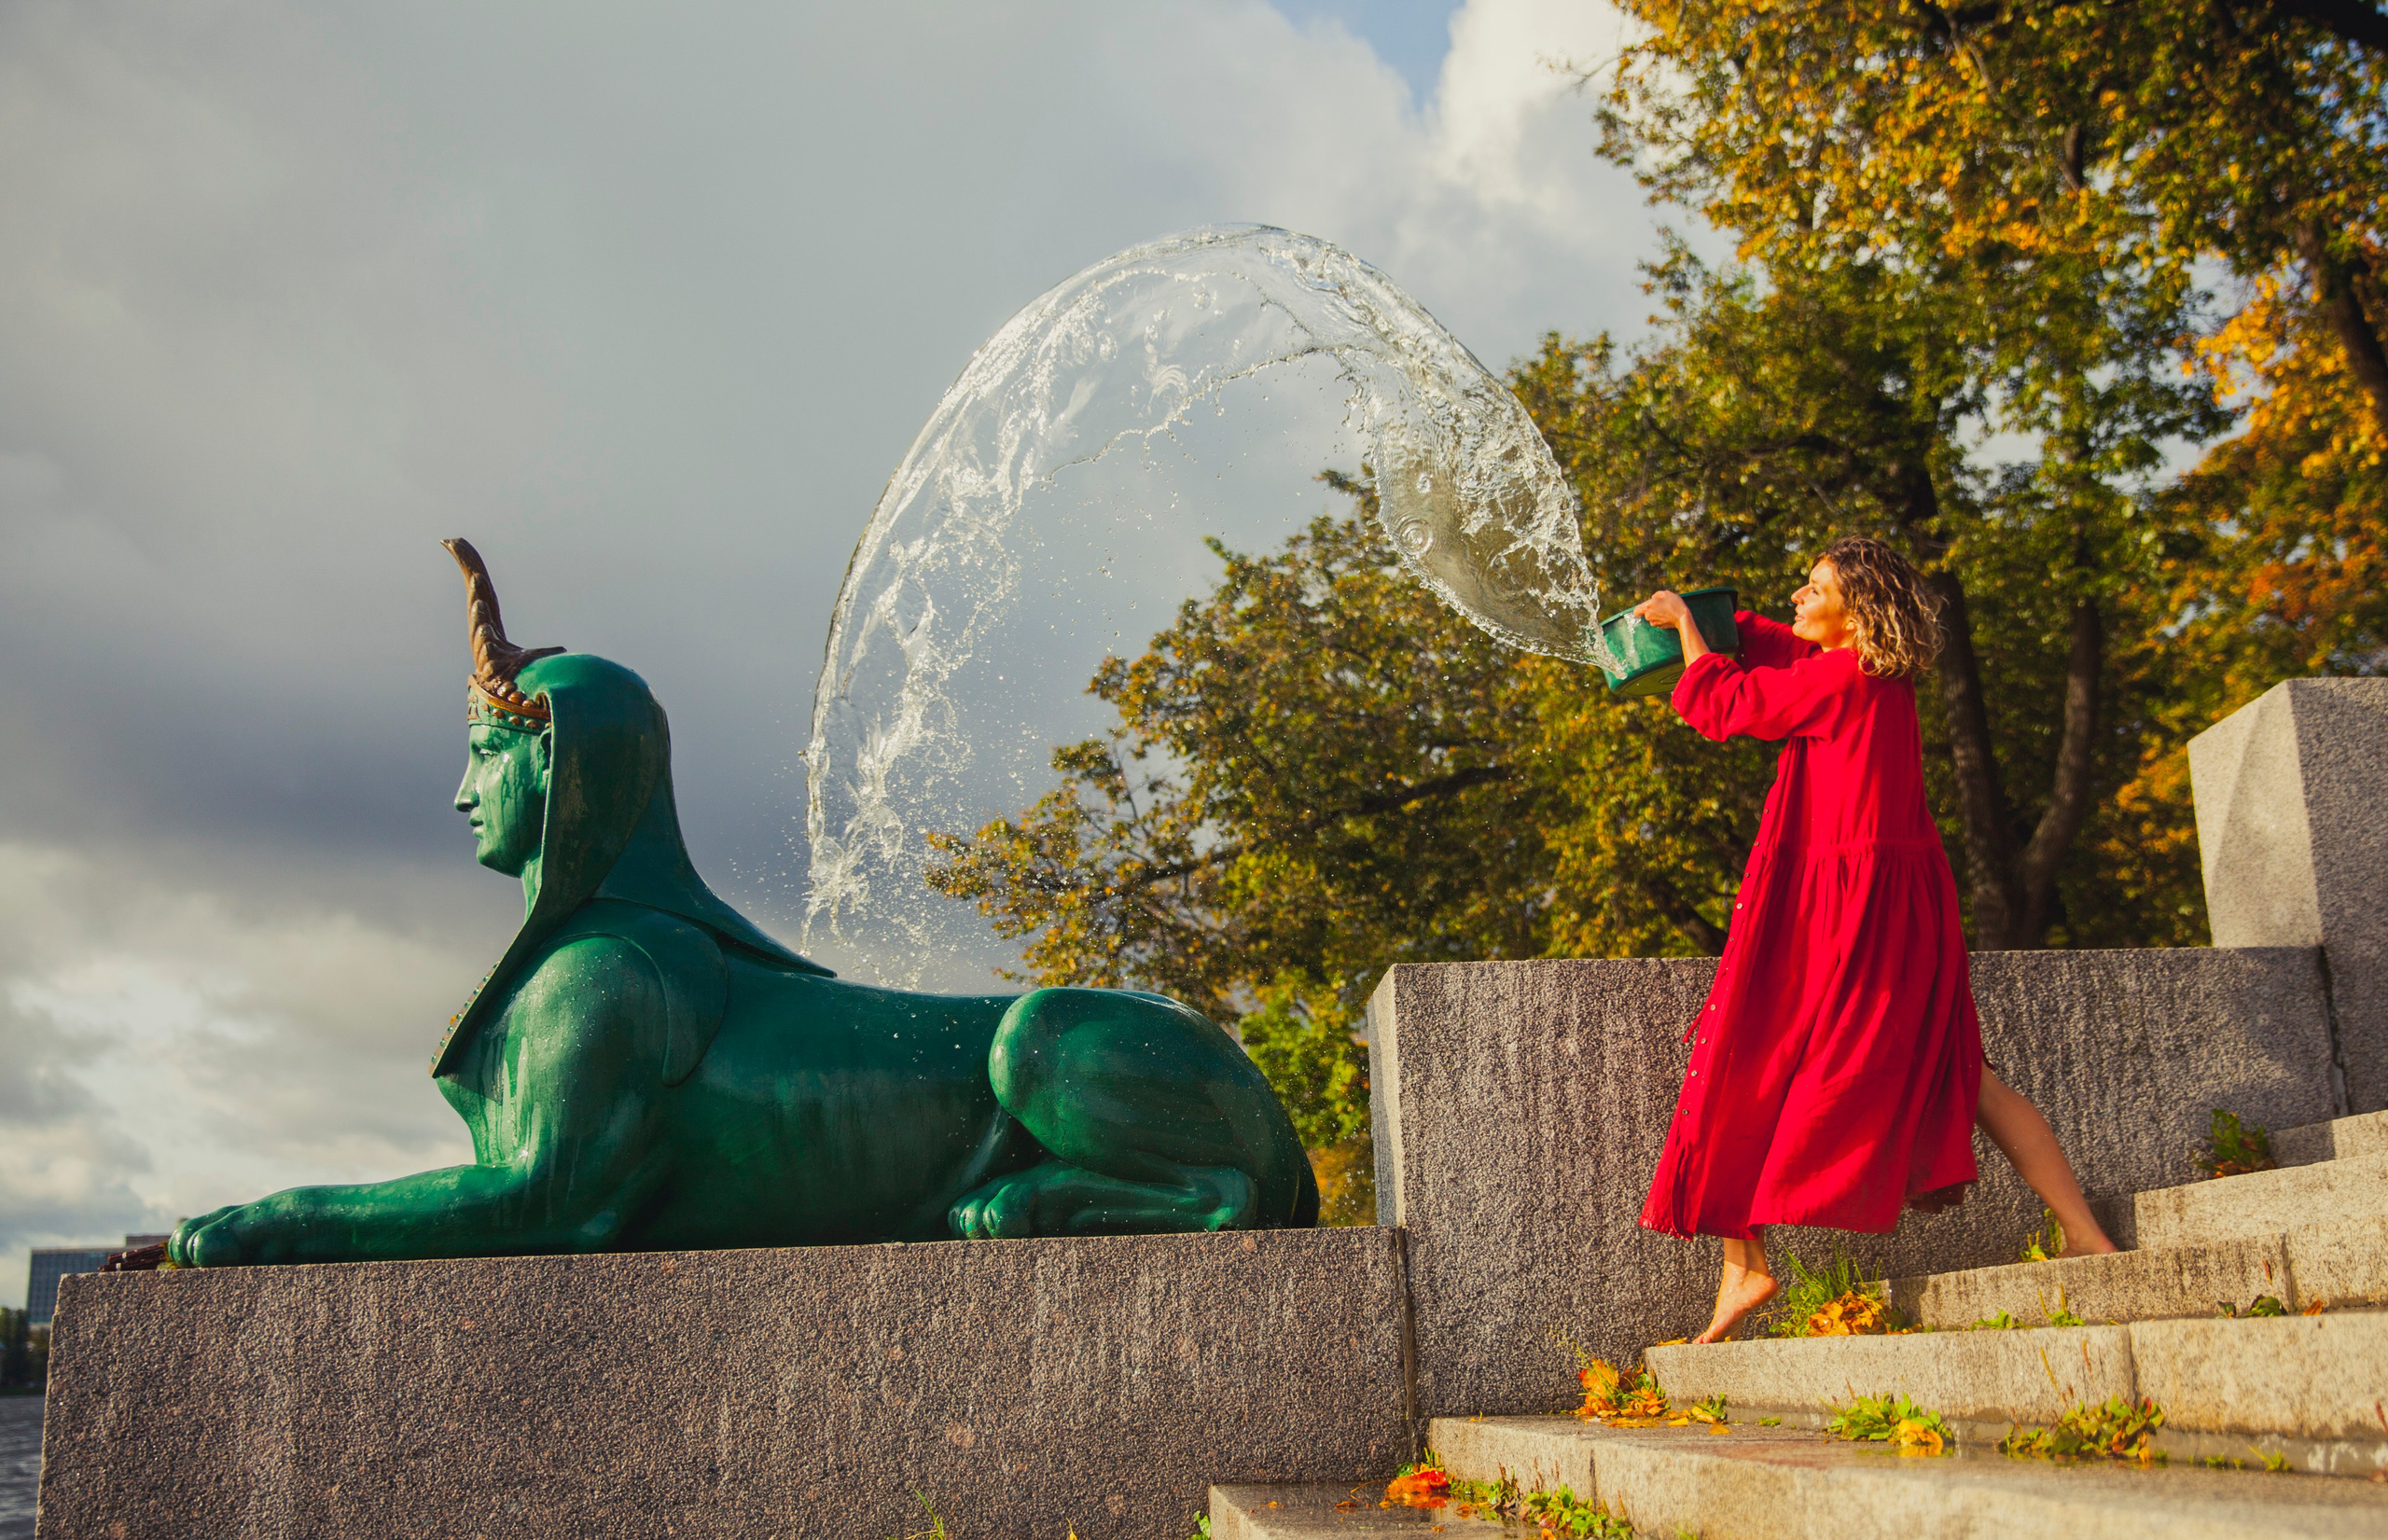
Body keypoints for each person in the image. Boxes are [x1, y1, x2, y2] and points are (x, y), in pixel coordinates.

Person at [1631, 536, 2115, 1344]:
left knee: (1739, 1057)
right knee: (1968, 1073)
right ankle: (2086, 1233)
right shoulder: (1871, 673)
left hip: (1843, 912)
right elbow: (1779, 649)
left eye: (1814, 587)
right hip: (1904, 908)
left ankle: (1745, 1264)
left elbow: (1725, 704)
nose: (1798, 594)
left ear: (1854, 613)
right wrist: (1722, 618)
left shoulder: (1842, 677)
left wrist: (1687, 624)